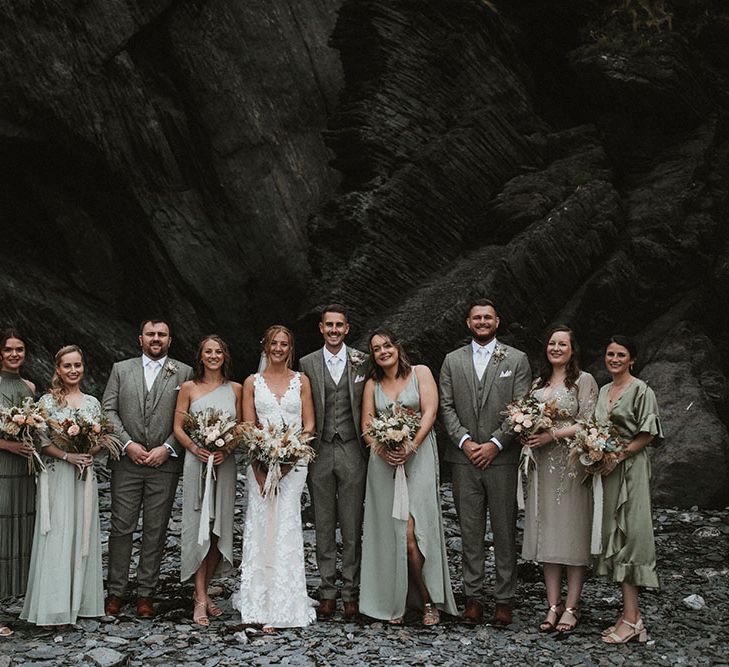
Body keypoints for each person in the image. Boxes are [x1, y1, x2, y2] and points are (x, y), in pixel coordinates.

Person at [439, 299, 531, 627]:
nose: (482, 322)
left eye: (487, 317)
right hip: (464, 459)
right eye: (476, 318)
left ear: (497, 321)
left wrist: (494, 443)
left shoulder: (516, 360)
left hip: (502, 459)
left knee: (505, 531)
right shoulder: (452, 361)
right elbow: (445, 406)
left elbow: (521, 406)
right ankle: (473, 598)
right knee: (470, 531)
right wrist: (465, 442)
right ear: (468, 323)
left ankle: (504, 600)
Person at [360, 329, 457, 625]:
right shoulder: (372, 384)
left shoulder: (421, 373)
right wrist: (382, 448)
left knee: (415, 530)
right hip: (384, 463)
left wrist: (411, 445)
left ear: (397, 347)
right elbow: (366, 424)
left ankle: (428, 601)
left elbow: (430, 412)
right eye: (376, 349)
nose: (383, 351)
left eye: (387, 345)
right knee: (394, 533)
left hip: (419, 457)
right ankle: (396, 600)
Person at [102, 319, 193, 618]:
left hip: (163, 464)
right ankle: (115, 592)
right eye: (151, 334)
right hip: (126, 462)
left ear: (170, 339)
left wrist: (167, 448)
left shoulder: (184, 372)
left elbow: (189, 417)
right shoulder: (121, 369)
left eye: (162, 335)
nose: (156, 339)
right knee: (121, 527)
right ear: (140, 338)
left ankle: (145, 594)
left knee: (155, 530)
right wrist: (127, 444)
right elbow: (108, 410)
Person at [233, 325, 317, 631]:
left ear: (290, 348)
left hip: (294, 464)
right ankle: (258, 602)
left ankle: (287, 603)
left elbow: (308, 425)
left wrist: (290, 453)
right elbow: (246, 427)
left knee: (286, 523)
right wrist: (263, 458)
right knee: (261, 524)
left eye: (284, 344)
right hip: (260, 464)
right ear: (265, 347)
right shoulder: (251, 382)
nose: (279, 348)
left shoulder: (301, 381)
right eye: (273, 343)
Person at [521, 326, 598, 634]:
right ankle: (553, 604)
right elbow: (525, 413)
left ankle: (572, 606)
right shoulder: (537, 382)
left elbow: (588, 422)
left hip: (570, 464)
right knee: (547, 533)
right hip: (541, 463)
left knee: (572, 533)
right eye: (551, 343)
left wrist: (552, 434)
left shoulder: (583, 380)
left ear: (572, 349)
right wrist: (525, 429)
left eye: (562, 343)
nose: (555, 347)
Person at [20, 345, 104, 626]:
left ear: (83, 367)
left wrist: (87, 452)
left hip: (83, 476)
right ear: (58, 369)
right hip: (59, 474)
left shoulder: (92, 402)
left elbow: (98, 441)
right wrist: (68, 454)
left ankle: (79, 602)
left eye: (77, 365)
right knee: (57, 533)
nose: (73, 371)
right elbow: (42, 443)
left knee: (81, 531)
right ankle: (53, 605)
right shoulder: (47, 402)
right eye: (67, 366)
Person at [591, 335, 662, 644]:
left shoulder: (641, 390)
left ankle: (632, 619)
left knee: (631, 536)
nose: (614, 359)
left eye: (621, 354)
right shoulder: (605, 389)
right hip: (608, 471)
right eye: (610, 354)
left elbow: (649, 433)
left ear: (632, 359)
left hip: (630, 468)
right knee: (614, 536)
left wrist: (618, 455)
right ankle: (629, 616)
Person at [299, 304, 368, 620]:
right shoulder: (307, 363)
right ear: (321, 328)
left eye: (339, 325)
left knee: (352, 524)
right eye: (329, 325)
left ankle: (351, 593)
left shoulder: (362, 362)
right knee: (324, 523)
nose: (334, 330)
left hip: (353, 448)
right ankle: (327, 592)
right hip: (321, 449)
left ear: (347, 328)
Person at [174, 335, 242, 626]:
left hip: (224, 465)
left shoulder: (236, 389)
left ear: (224, 356)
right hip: (197, 463)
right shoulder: (189, 388)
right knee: (198, 526)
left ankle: (203, 591)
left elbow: (241, 427)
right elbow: (178, 427)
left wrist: (226, 448)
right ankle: (200, 597)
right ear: (200, 357)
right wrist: (194, 448)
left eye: (218, 351)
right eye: (208, 352)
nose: (213, 356)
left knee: (218, 529)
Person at [0, 330, 36, 637]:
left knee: (20, 533)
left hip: (24, 471)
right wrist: (9, 446)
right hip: (2, 466)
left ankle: (15, 601)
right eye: (9, 349)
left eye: (20, 349)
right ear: (0, 353)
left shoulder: (29, 387)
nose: (14, 354)